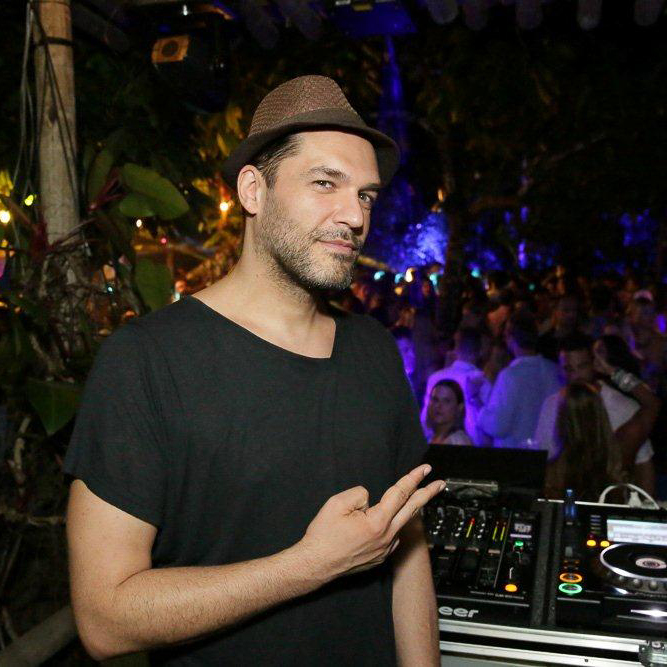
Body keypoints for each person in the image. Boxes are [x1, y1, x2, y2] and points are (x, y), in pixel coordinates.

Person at [64, 76, 444, 666]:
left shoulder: (374, 349)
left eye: (366, 195)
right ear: (253, 190)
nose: (354, 215)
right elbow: (105, 619)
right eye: (325, 183)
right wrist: (310, 565)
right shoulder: (147, 361)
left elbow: (407, 547)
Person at [534, 334, 656, 494]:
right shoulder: (551, 405)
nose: (576, 376)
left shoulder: (623, 408)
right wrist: (615, 372)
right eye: (568, 369)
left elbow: (644, 467)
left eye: (582, 366)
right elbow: (652, 404)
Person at [475, 314, 560, 448]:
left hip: (515, 452)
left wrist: (478, 405)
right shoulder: (553, 369)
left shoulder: (510, 376)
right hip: (547, 452)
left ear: (510, 338)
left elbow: (498, 426)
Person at [421, 327, 491, 444]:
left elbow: (425, 419)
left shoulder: (436, 377)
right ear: (479, 352)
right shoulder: (481, 381)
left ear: (456, 349)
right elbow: (490, 425)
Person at [426, 380, 472, 445]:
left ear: (459, 407)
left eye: (446, 401)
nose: (439, 406)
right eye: (435, 400)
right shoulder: (428, 436)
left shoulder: (458, 441)